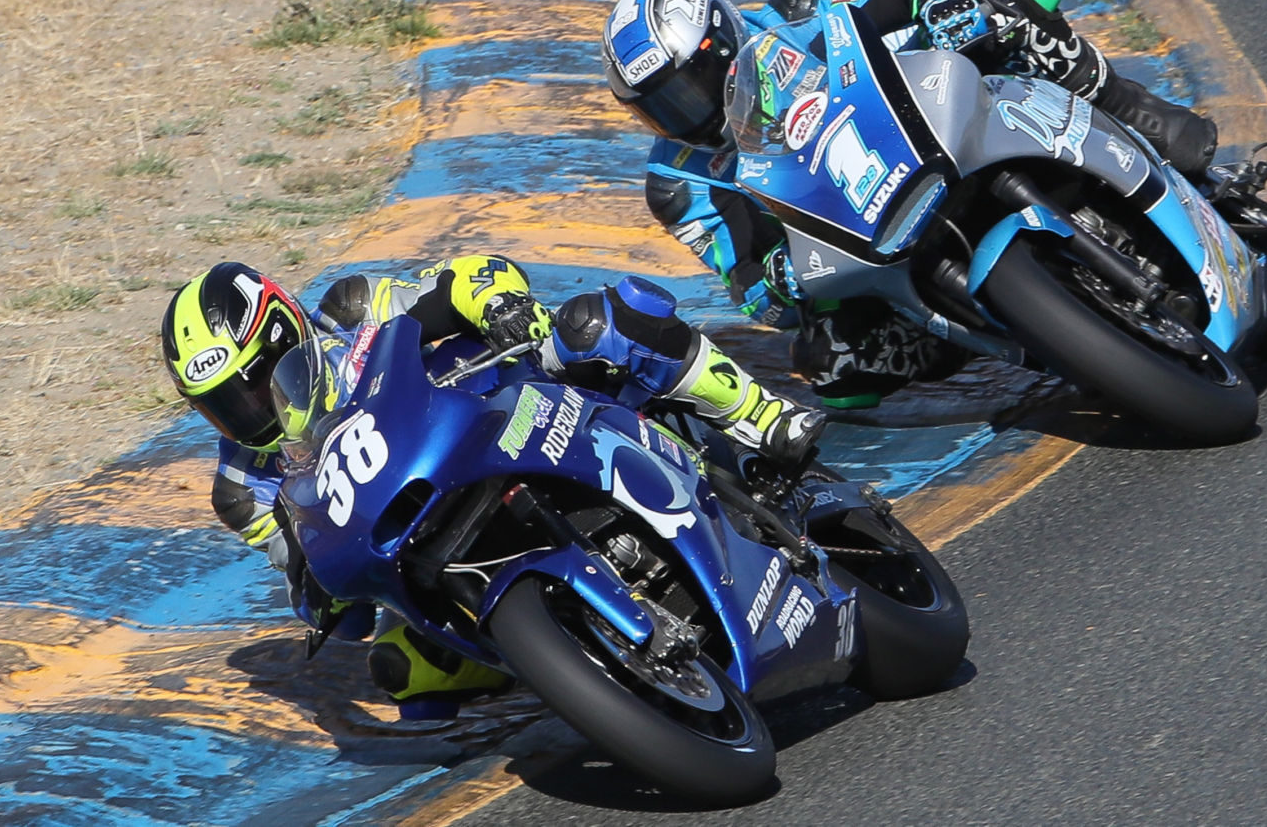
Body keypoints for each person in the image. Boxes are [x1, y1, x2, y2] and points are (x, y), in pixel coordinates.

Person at [159, 257, 823, 718]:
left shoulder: (351, 311)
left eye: (252, 383)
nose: (249, 411)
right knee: (405, 677)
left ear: (284, 332)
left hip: (526, 414)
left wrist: (501, 305)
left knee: (596, 324)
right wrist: (316, 595)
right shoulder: (241, 486)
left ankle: (765, 418)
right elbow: (317, 584)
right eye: (223, 405)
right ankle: (583, 671)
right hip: (430, 539)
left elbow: (471, 276)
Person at [599, 0, 1220, 409]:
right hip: (859, 247)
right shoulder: (677, 186)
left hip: (932, 137)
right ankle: (974, 334)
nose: (692, 110)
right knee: (828, 368)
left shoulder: (796, 14)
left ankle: (1123, 103)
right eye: (665, 104)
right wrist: (778, 283)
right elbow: (748, 287)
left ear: (725, 36)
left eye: (691, 83)